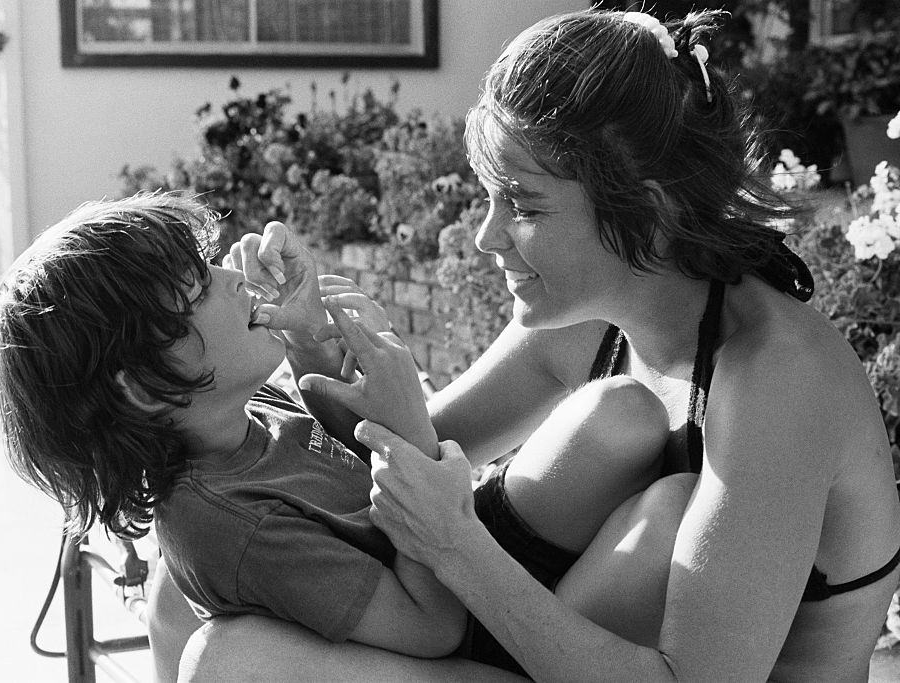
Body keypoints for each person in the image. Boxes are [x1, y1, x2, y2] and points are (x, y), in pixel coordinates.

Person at [174, 7, 900, 682]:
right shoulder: (591, 319)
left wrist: (458, 547)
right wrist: (308, 339)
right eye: (488, 196)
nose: (488, 236)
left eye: (520, 204)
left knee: (235, 658)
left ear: (645, 210)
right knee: (186, 602)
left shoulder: (776, 380)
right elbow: (401, 459)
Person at [0, 192, 648, 680]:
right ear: (146, 385)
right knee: (658, 499)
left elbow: (343, 445)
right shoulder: (234, 527)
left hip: (467, 569)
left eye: (209, 262)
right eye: (197, 288)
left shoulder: (242, 417)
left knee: (625, 414)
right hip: (465, 631)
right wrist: (406, 428)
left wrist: (308, 335)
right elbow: (431, 627)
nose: (228, 276)